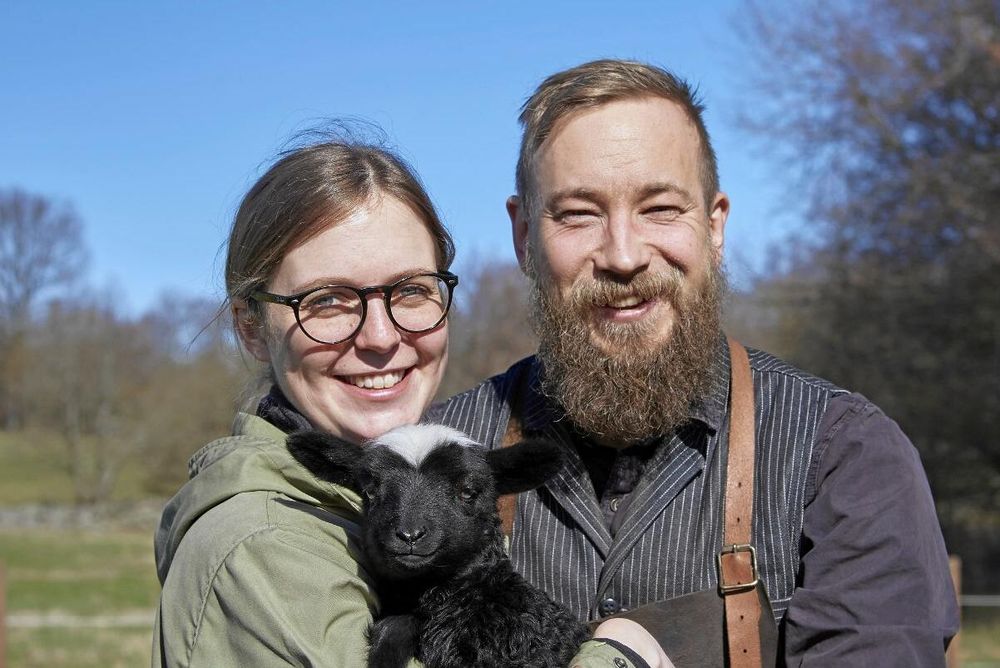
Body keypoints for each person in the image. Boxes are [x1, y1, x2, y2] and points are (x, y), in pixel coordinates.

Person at [430, 59, 960, 665]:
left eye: (660, 208)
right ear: (525, 236)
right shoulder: (432, 454)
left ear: (714, 226)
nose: (623, 256)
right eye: (578, 213)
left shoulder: (844, 458)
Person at [151, 136, 663, 667]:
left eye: (412, 291)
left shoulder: (350, 510)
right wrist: (622, 654)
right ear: (252, 328)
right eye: (327, 300)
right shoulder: (265, 549)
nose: (380, 337)